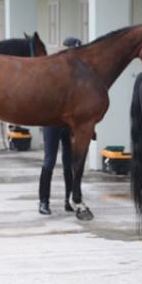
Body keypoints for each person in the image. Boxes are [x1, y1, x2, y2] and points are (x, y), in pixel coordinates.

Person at [37, 37, 82, 215]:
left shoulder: (78, 74)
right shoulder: (51, 70)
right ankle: (43, 201)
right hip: (52, 121)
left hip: (69, 122)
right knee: (49, 160)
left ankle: (68, 200)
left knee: (69, 163)